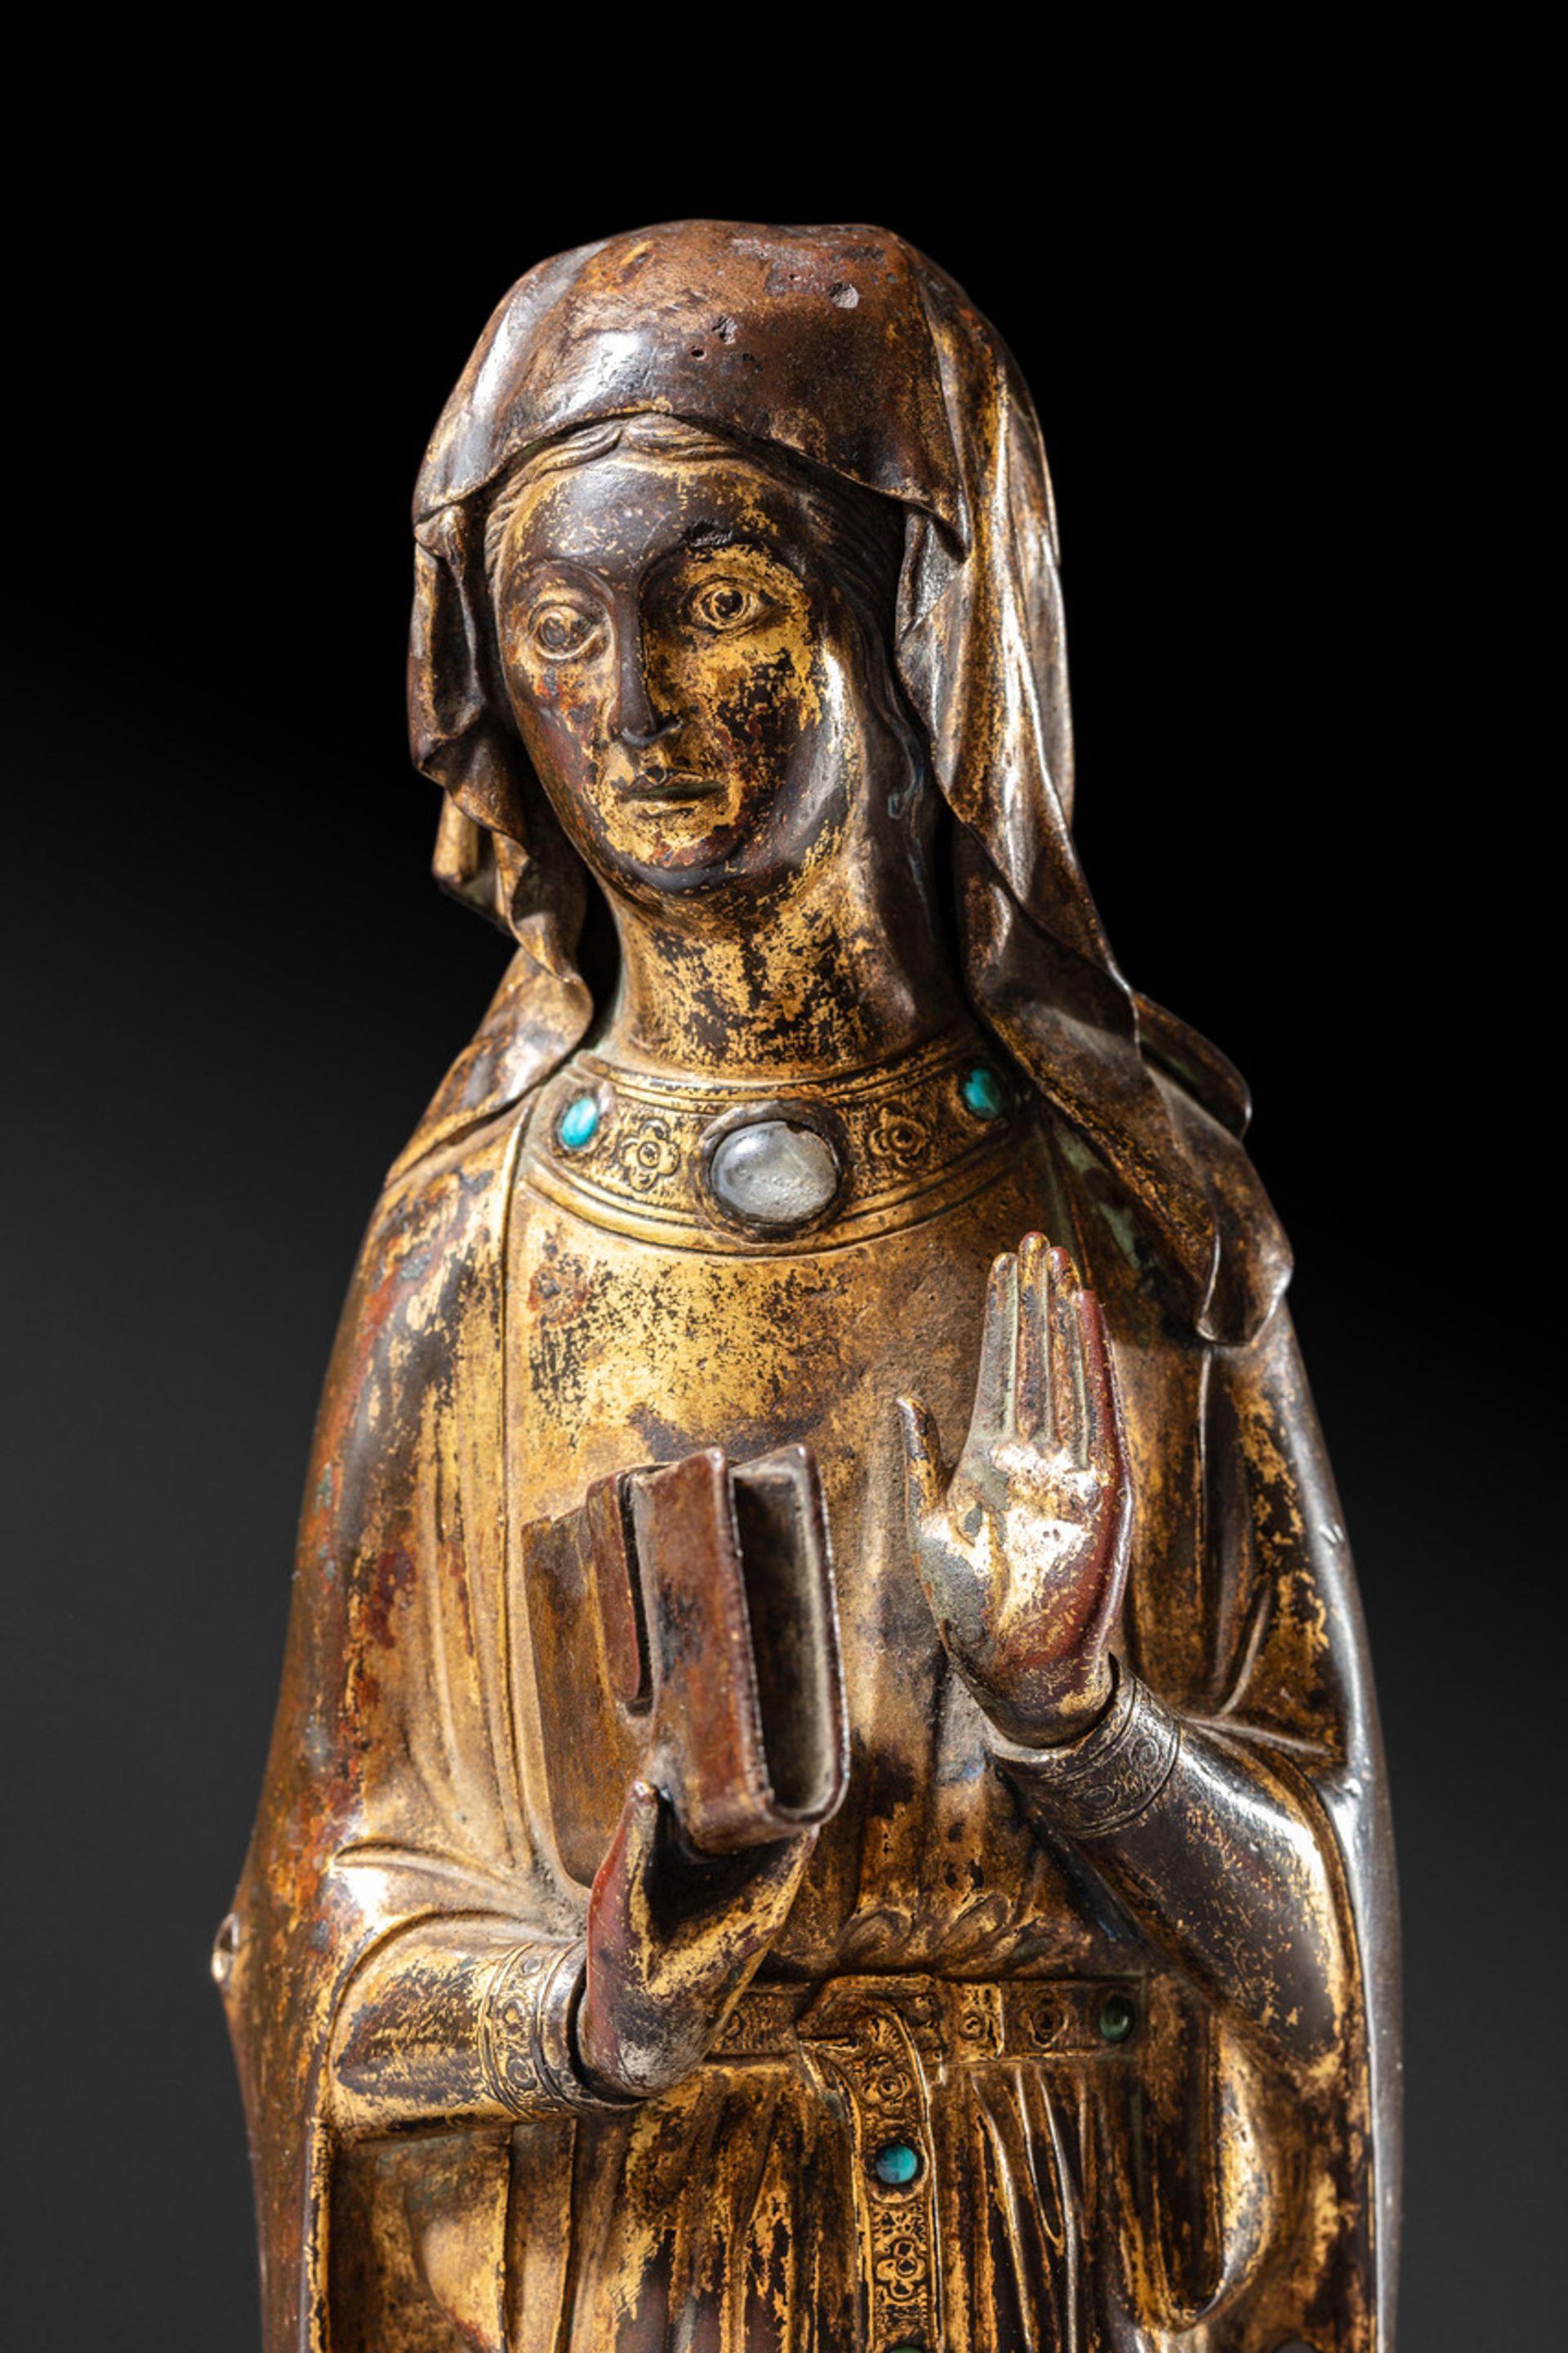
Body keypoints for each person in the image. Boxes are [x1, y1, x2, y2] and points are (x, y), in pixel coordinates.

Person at [218, 221, 1398, 2353]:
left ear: (911, 626)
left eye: (723, 604)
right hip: (632, 2268)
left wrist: (1084, 1725)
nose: (632, 708)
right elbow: (318, 1926)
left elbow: (1321, 1959)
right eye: (557, 625)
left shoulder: (1125, 1219)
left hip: (1031, 2269)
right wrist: (604, 1995)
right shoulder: (479, 1241)